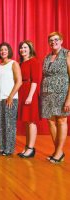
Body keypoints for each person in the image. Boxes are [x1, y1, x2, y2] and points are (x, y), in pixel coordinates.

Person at [41, 32, 70, 163]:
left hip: (62, 93)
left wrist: (69, 98)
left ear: (61, 40)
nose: (53, 42)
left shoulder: (67, 54)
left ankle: (58, 153)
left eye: (56, 39)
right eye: (51, 40)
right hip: (47, 93)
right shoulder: (47, 57)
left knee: (61, 121)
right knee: (51, 122)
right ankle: (58, 151)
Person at [0, 42, 22, 156]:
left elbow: (19, 81)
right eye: (1, 50)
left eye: (5, 49)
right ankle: (2, 148)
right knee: (0, 125)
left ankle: (9, 149)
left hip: (10, 98)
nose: (3, 52)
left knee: (9, 125)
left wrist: (11, 96)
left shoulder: (13, 63)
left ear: (9, 51)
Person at [17, 41, 42, 158]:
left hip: (29, 92)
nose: (23, 49)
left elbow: (35, 80)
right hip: (22, 91)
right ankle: (27, 147)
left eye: (25, 47)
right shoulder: (21, 63)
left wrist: (30, 96)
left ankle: (31, 148)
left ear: (30, 49)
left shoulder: (34, 61)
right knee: (26, 121)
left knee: (31, 121)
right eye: (21, 48)